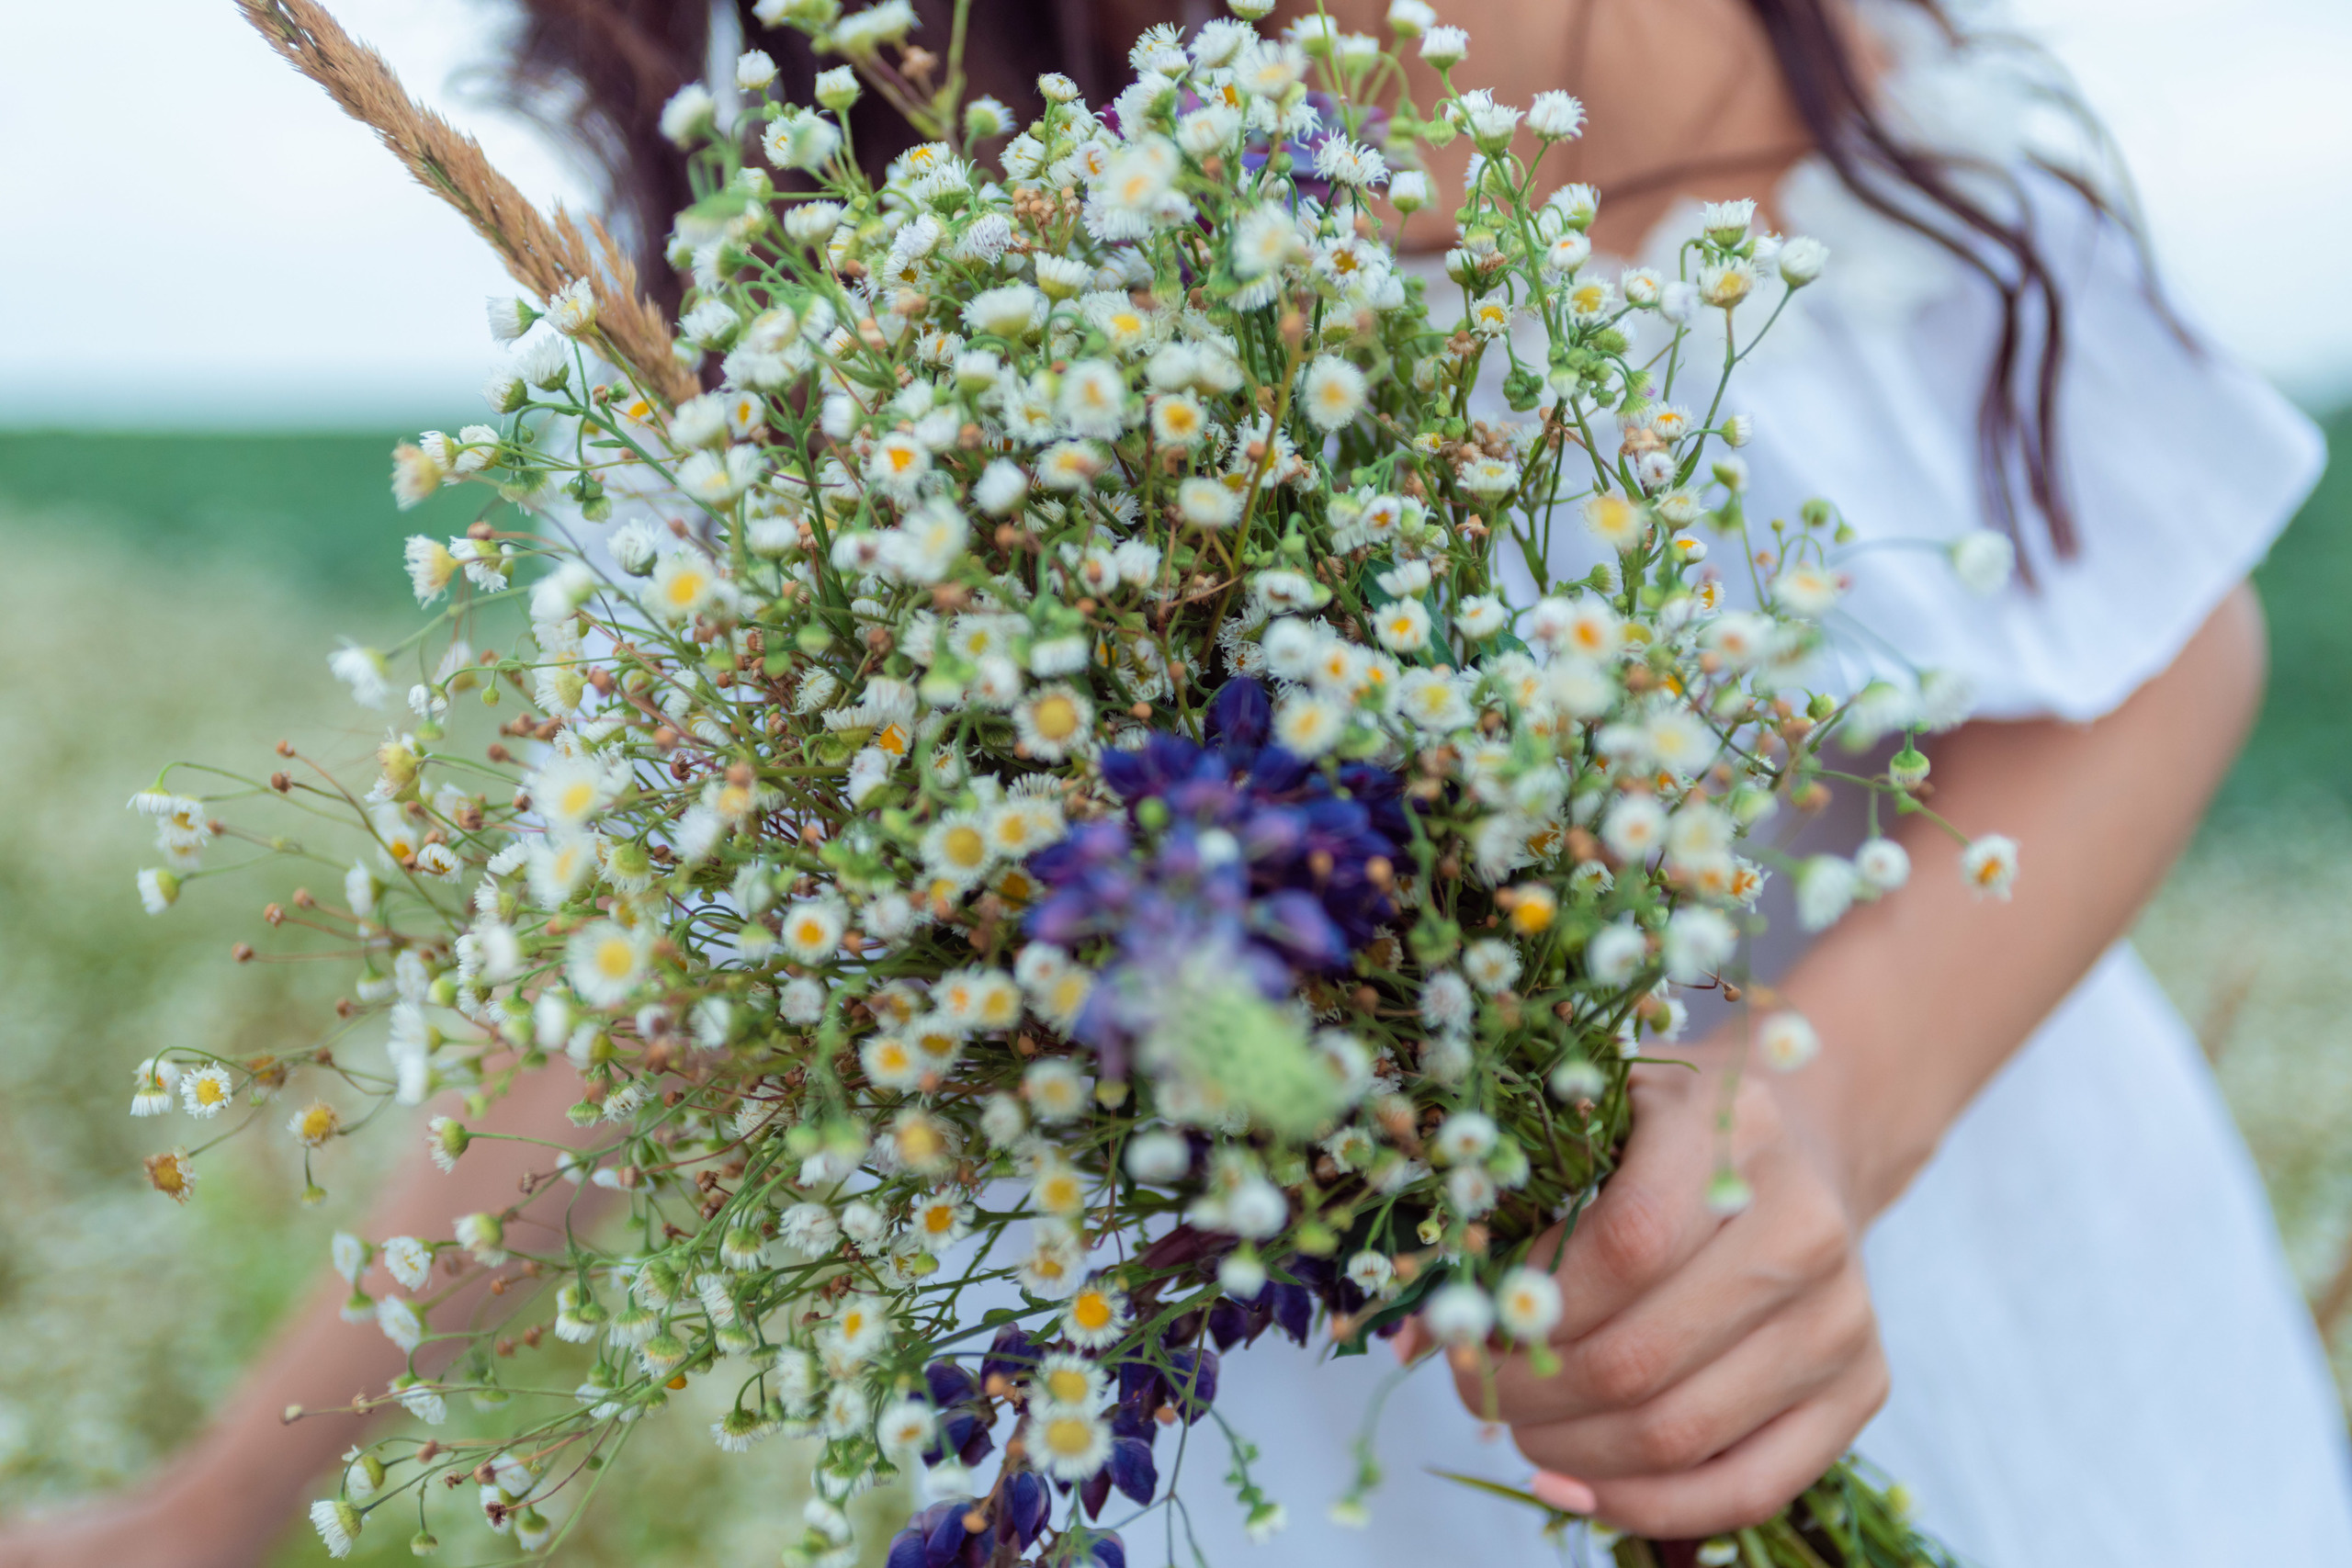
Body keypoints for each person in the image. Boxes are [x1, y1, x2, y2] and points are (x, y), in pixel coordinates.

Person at [8, 1, 2345, 1563]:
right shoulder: (865, 125)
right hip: (1270, 1403)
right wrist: (215, 1506)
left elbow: (2153, 608)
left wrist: (1818, 1102)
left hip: (1892, 1277)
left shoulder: (1619, 55)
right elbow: (685, 926)